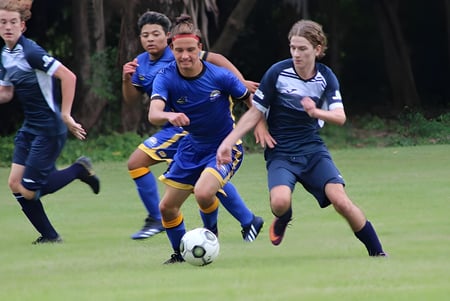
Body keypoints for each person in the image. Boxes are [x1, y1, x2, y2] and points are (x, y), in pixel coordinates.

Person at [216, 19, 387, 257]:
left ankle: (377, 253)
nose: (296, 54)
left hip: (313, 150)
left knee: (341, 202)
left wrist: (316, 112)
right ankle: (284, 217)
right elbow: (255, 111)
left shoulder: (326, 78)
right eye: (293, 48)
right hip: (281, 152)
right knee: (279, 203)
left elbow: (340, 117)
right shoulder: (277, 72)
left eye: (302, 48)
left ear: (317, 49)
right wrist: (227, 142)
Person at [122, 11, 263, 241]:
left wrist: (258, 122)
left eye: (190, 50)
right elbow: (152, 112)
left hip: (224, 144)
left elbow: (249, 98)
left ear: (199, 50)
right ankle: (179, 251)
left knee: (203, 190)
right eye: (179, 51)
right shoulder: (157, 72)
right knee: (168, 206)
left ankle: (217, 231)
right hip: (190, 142)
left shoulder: (217, 76)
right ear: (173, 48)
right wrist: (168, 114)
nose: (185, 55)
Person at [0, 1, 100, 244]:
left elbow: (68, 76)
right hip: (30, 128)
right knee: (15, 183)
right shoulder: (5, 54)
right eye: (3, 22)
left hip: (49, 129)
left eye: (13, 22)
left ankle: (79, 169)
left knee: (30, 190)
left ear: (23, 26)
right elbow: (5, 94)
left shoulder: (31, 52)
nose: (8, 27)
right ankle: (49, 236)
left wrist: (66, 115)